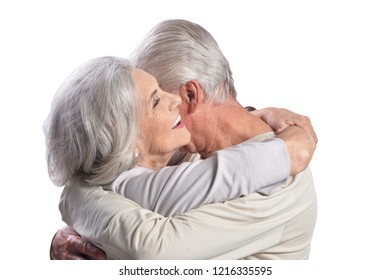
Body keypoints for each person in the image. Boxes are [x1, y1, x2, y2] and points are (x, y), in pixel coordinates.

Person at [51, 19, 317, 260]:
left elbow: (154, 251)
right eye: (155, 101)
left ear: (190, 95)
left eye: (162, 94)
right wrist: (63, 238)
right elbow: (108, 170)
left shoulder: (278, 182)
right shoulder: (181, 150)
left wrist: (75, 198)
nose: (173, 102)